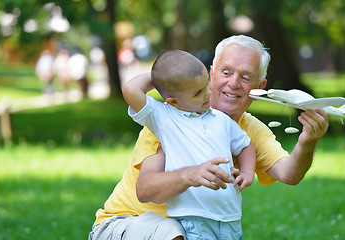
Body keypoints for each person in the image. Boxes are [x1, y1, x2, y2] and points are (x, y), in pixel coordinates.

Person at [89, 35, 329, 240]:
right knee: (172, 231)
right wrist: (170, 77)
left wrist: (307, 142)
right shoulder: (170, 119)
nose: (233, 83)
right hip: (125, 224)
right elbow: (145, 190)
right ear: (211, 75)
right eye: (226, 72)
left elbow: (289, 173)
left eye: (246, 77)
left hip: (197, 228)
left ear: (260, 86)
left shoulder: (248, 128)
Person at [122, 49, 256, 239]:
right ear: (174, 101)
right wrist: (163, 79)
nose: (207, 93)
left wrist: (247, 173)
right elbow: (130, 89)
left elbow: (245, 145)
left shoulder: (221, 119)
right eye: (197, 92)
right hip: (194, 218)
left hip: (230, 216)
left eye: (206, 84)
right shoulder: (164, 117)